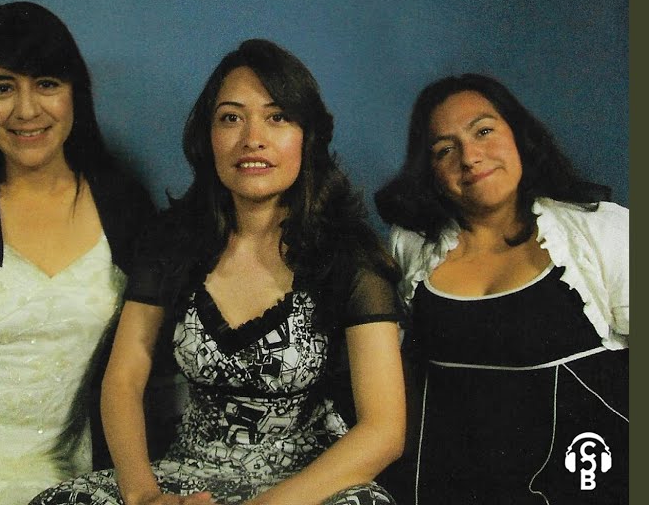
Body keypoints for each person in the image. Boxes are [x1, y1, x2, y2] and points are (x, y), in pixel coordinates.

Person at [30, 39, 405, 505]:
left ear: (307, 137)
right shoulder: (172, 242)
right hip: (188, 475)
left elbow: (384, 430)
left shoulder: (349, 256)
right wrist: (145, 496)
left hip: (307, 487)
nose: (252, 138)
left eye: (277, 117)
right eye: (231, 118)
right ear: (207, 137)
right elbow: (123, 379)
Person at [0, 2, 156, 504]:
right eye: (2, 88)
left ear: (74, 92)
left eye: (46, 83)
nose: (26, 110)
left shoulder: (124, 204)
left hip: (57, 479)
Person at [373, 73, 628, 505]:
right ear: (430, 171)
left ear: (519, 136)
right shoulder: (411, 246)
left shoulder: (599, 229)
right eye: (445, 149)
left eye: (484, 131)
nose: (470, 157)